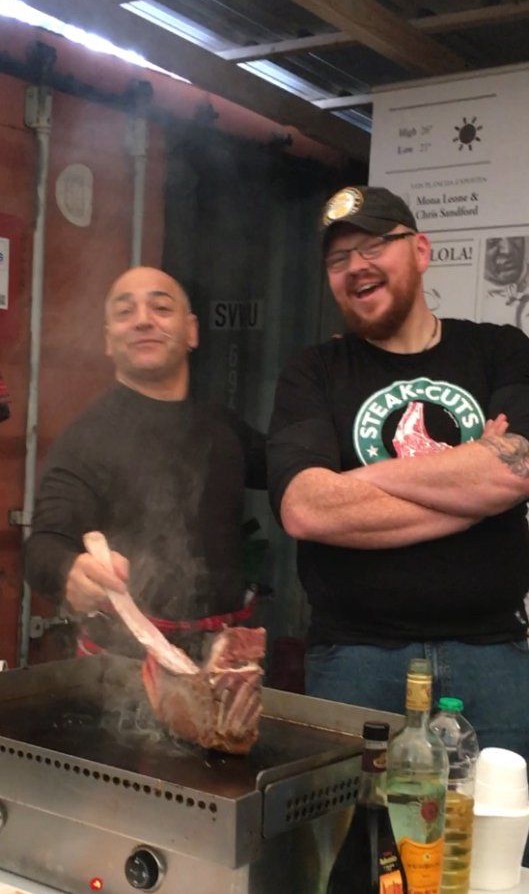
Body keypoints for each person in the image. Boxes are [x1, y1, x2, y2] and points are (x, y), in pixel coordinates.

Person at [268, 185, 529, 765]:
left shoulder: (500, 350)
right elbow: (305, 508)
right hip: (355, 660)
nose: (355, 266)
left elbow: (516, 472)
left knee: (497, 822)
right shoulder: (313, 372)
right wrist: (475, 489)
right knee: (353, 825)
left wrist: (358, 479)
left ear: (420, 249)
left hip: (493, 655)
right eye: (338, 258)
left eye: (374, 246)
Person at [26, 266, 266, 661]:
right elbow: (43, 545)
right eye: (125, 312)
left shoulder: (223, 427)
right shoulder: (86, 438)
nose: (142, 320)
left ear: (191, 331)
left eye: (161, 308)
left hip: (225, 661)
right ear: (108, 340)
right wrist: (67, 570)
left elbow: (293, 473)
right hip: (125, 665)